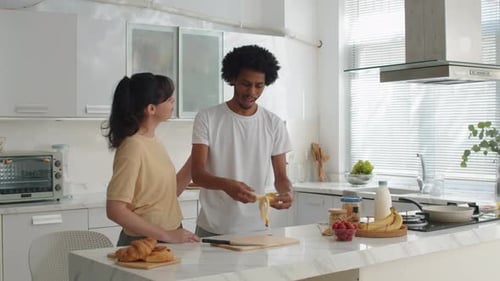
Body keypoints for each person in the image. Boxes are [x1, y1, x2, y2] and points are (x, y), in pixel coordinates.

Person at [191, 45, 294, 237]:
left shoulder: (274, 123)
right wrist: (226, 185)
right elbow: (197, 174)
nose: (252, 92)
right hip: (213, 229)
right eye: (246, 84)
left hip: (257, 229)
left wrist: (288, 192)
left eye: (259, 86)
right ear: (232, 79)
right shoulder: (207, 118)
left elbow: (281, 177)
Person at [102, 72, 200, 246]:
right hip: (145, 242)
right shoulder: (133, 146)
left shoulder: (151, 140)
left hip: (169, 236)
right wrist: (167, 235)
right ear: (151, 109)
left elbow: (170, 193)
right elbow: (115, 209)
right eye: (168, 99)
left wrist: (198, 156)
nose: (173, 101)